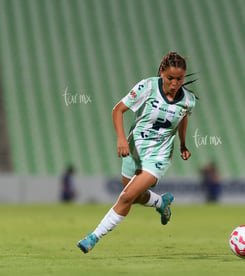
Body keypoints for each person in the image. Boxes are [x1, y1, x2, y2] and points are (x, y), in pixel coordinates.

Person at [77, 52, 197, 253]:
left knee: (125, 197)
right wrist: (121, 138)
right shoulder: (147, 86)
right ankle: (161, 201)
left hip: (158, 156)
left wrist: (183, 145)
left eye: (179, 79)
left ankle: (93, 237)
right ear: (161, 73)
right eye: (170, 78)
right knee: (135, 195)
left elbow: (183, 118)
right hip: (134, 149)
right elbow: (117, 110)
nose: (175, 84)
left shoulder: (188, 100)